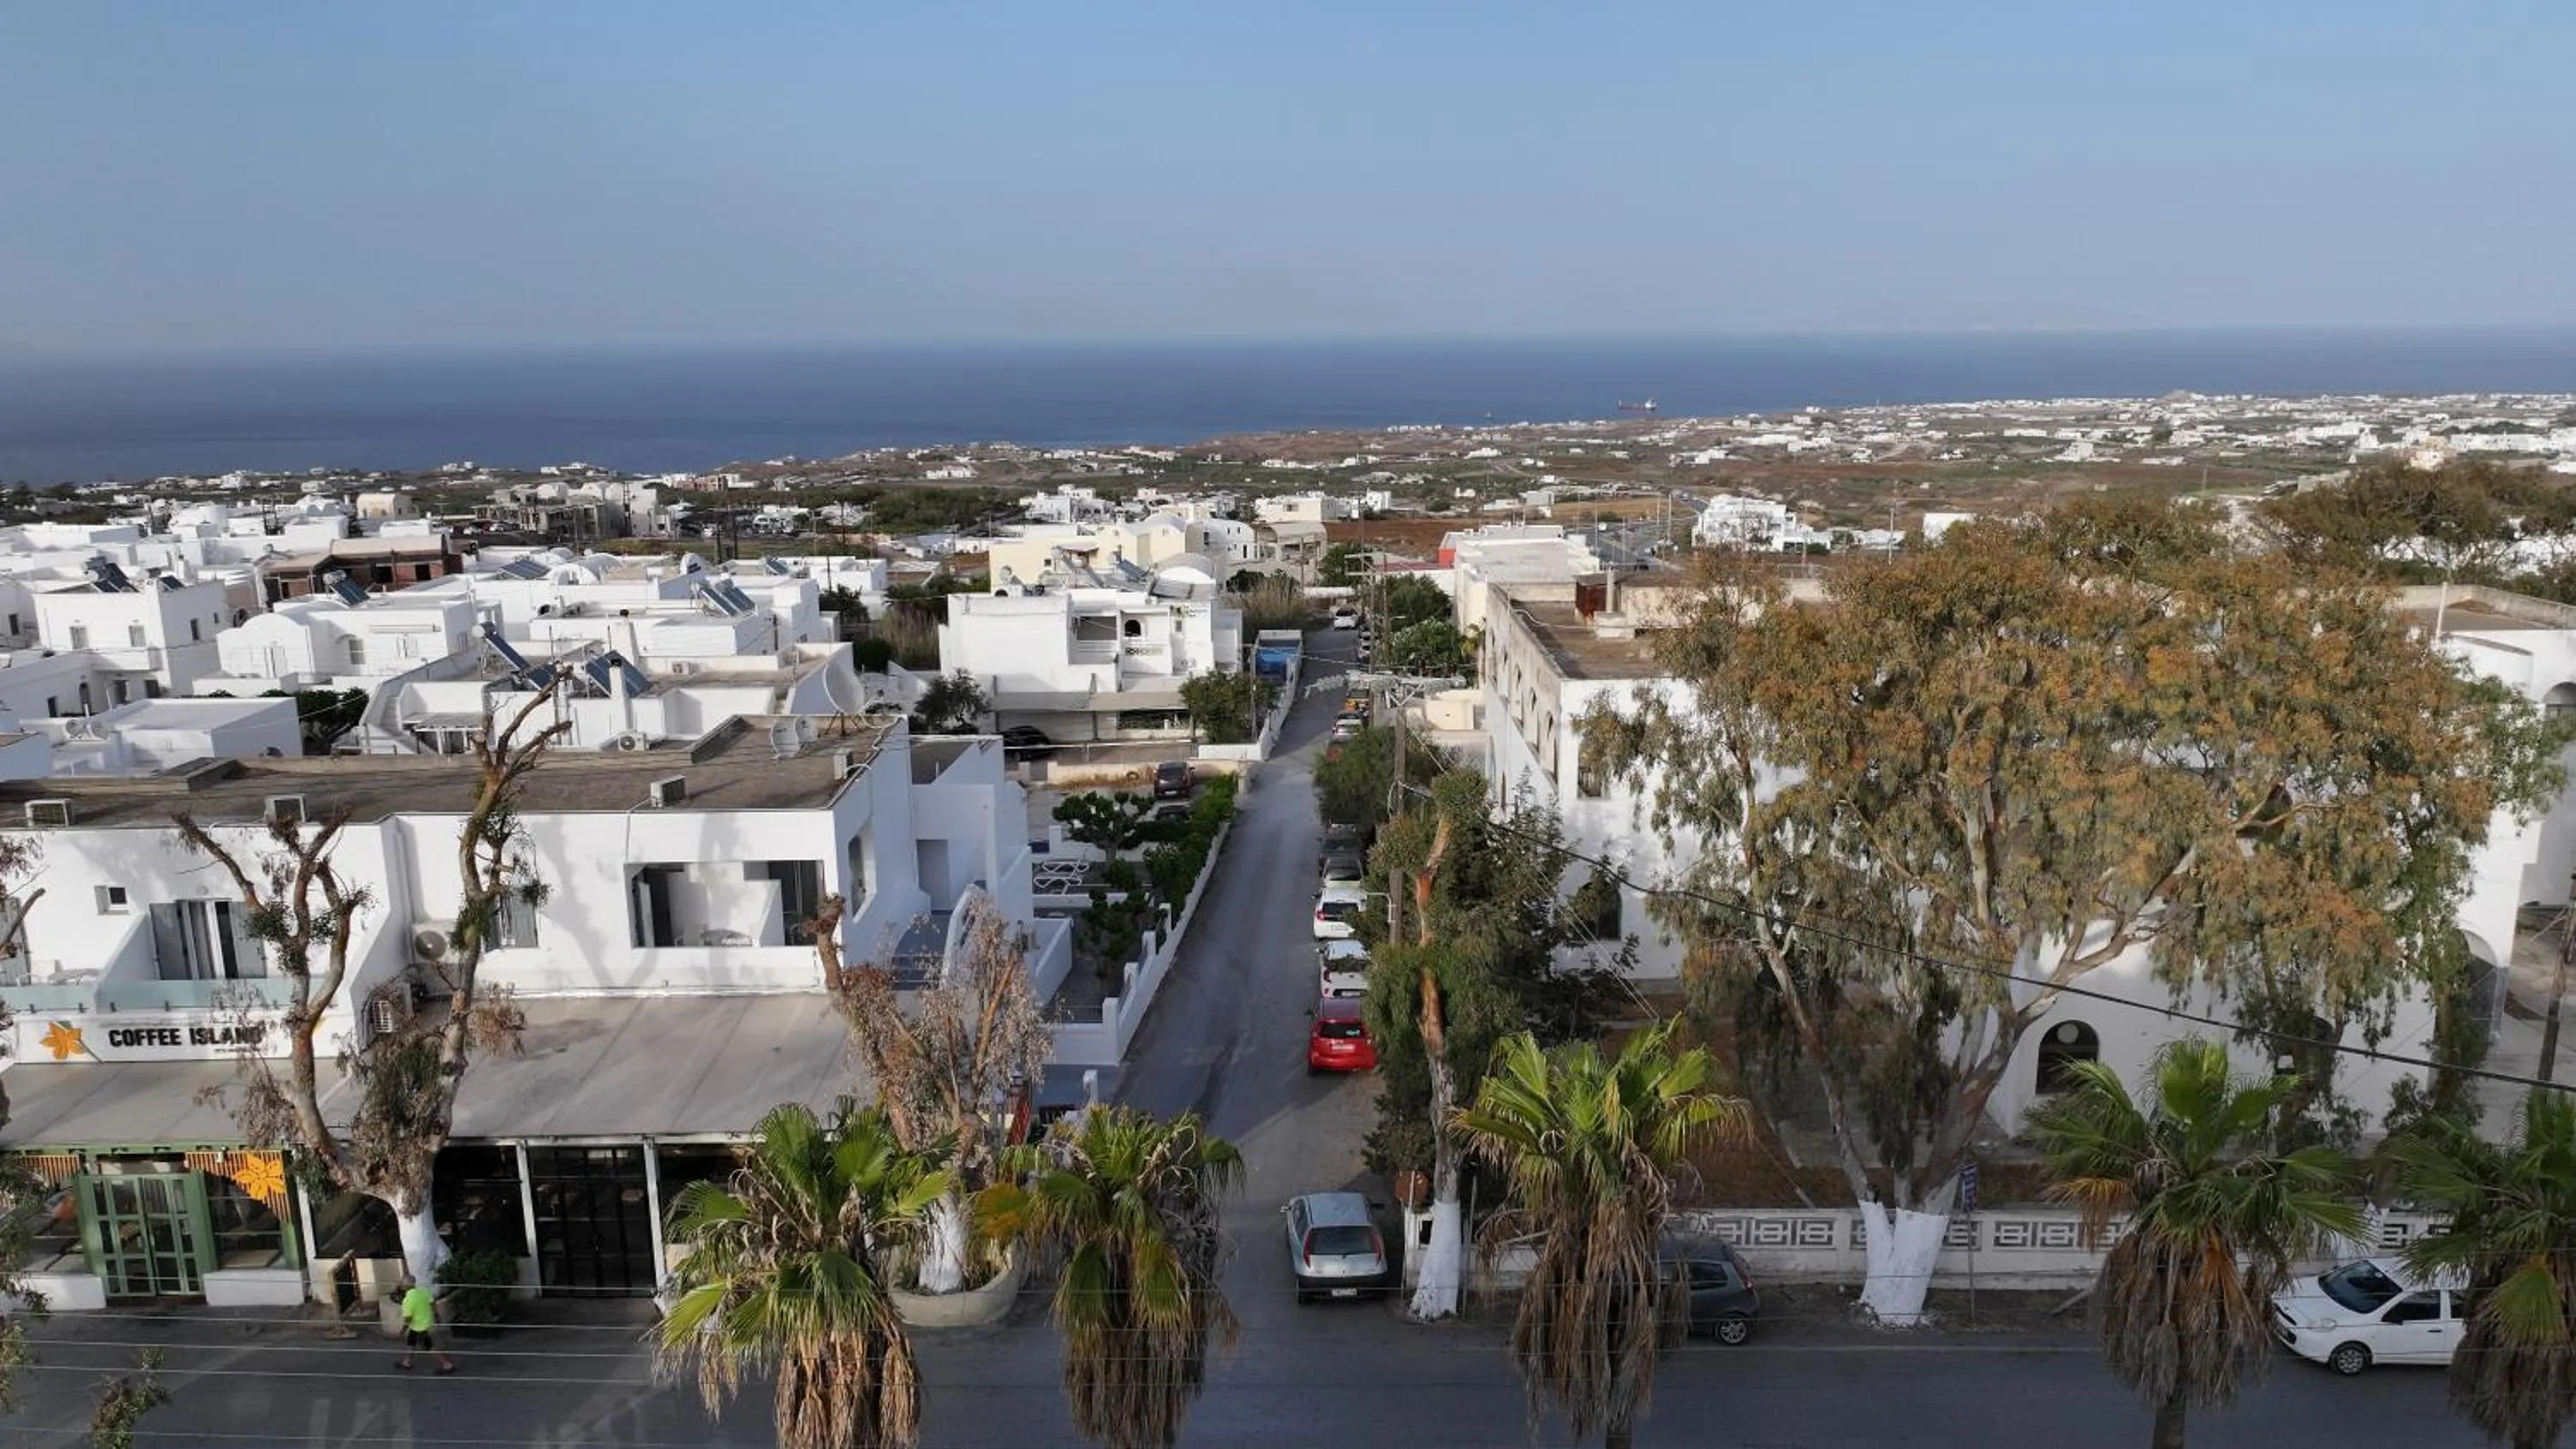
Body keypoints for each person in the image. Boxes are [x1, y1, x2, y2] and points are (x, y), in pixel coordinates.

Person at [395, 1272, 457, 1374]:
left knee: (428, 1346)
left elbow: (408, 1319)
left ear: (404, 1286)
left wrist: (401, 1332)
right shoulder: (423, 1291)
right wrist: (436, 1315)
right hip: (425, 1322)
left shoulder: (407, 1300)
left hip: (419, 1327)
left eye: (401, 1284)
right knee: (411, 1341)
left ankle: (447, 1365)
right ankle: (406, 1362)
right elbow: (432, 1303)